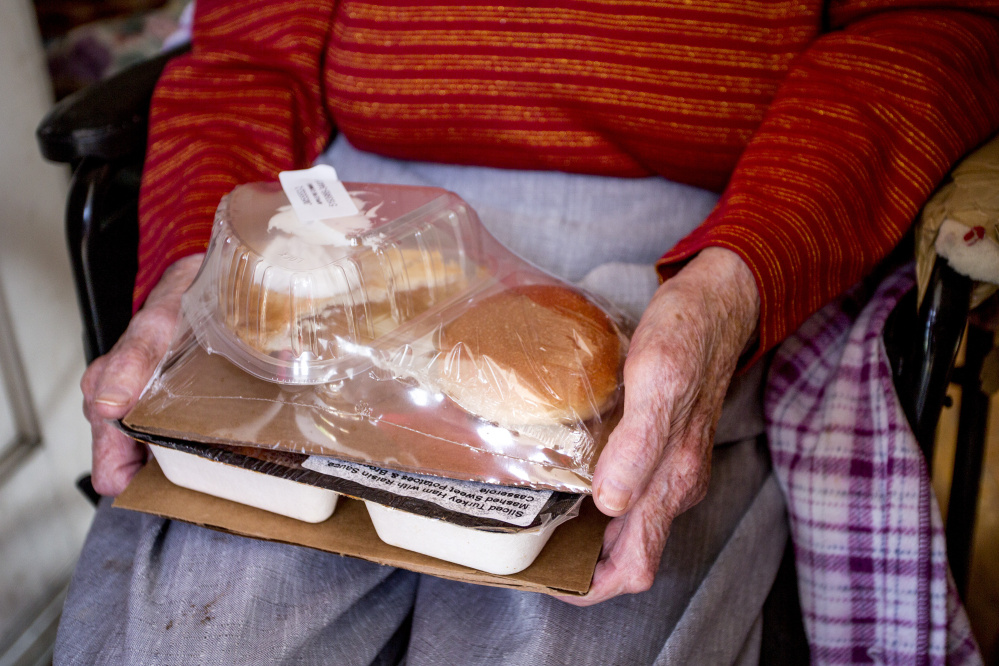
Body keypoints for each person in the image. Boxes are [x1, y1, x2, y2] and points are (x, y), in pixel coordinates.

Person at [56, 2, 999, 664]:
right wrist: (204, 266)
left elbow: (930, 26)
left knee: (561, 629)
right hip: (341, 231)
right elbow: (250, 56)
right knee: (192, 633)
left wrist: (736, 277)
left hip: (696, 237)